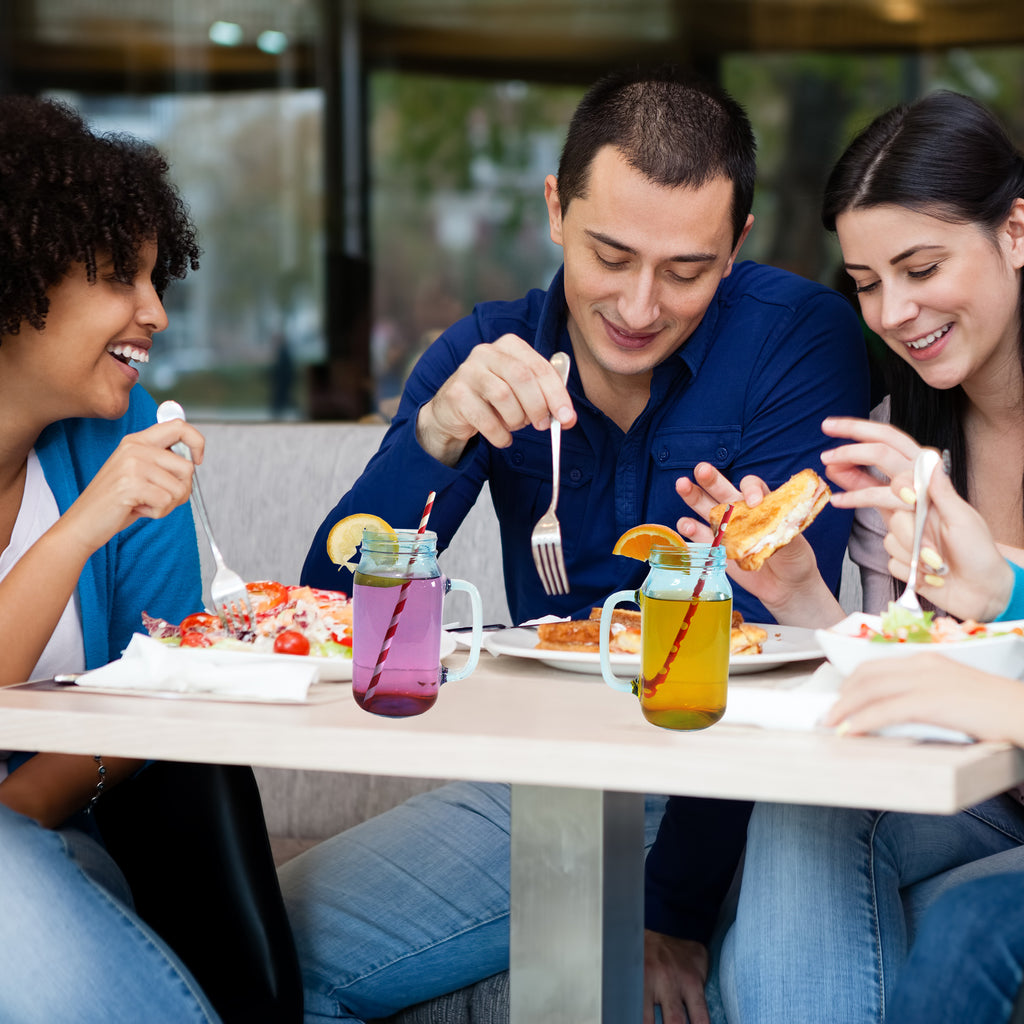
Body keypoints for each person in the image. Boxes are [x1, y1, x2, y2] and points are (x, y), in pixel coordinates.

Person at [286, 65, 869, 1024]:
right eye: (610, 254)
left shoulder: (798, 341)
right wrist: (436, 438)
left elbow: (765, 636)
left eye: (687, 270)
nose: (640, 306)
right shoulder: (487, 352)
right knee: (272, 956)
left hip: (751, 788)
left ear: (738, 249)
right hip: (554, 780)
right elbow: (333, 611)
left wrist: (670, 907)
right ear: (556, 209)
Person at [664, 90, 1024, 1023]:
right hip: (984, 797)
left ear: (1016, 231)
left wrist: (1005, 591)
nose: (895, 312)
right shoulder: (896, 439)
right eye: (866, 282)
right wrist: (802, 596)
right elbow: (898, 682)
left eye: (921, 267)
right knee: (803, 802)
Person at [0, 95, 223, 1021]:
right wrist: (81, 527)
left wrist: (18, 815)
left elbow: (156, 681)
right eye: (118, 279)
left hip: (42, 845)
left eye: (156, 277)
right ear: (19, 280)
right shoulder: (107, 487)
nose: (155, 314)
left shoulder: (129, 433)